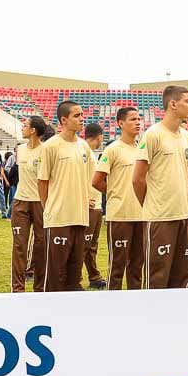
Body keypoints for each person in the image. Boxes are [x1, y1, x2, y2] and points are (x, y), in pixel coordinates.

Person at [133, 86, 188, 289]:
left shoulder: (187, 137)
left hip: (183, 216)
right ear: (173, 104)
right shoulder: (153, 135)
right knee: (157, 278)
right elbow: (137, 179)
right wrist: (151, 205)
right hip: (160, 218)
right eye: (187, 101)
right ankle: (152, 318)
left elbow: (187, 175)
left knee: (181, 277)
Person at [38, 101, 94, 292]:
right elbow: (42, 182)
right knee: (55, 274)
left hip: (80, 217)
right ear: (64, 120)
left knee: (74, 274)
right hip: (58, 219)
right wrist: (50, 208)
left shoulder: (84, 146)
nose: (82, 119)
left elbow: (88, 178)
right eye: (77, 115)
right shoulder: (50, 146)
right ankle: (48, 313)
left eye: (82, 114)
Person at [94, 107, 145, 290]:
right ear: (121, 123)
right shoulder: (112, 149)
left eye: (139, 119)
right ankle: (112, 302)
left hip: (141, 216)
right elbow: (96, 181)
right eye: (133, 119)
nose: (138, 122)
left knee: (137, 267)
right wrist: (114, 192)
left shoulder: (143, 149)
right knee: (117, 266)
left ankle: (135, 303)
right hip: (120, 216)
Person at [10, 115, 47, 292]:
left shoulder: (46, 150)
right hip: (21, 202)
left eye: (25, 125)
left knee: (41, 246)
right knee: (19, 246)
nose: (22, 128)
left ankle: (39, 288)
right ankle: (18, 288)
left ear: (33, 130)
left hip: (40, 203)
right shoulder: (20, 149)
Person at [82, 122, 107, 290]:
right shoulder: (83, 151)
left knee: (91, 244)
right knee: (84, 244)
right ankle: (75, 277)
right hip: (89, 206)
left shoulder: (89, 153)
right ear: (99, 136)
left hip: (96, 205)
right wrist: (83, 198)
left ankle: (94, 275)